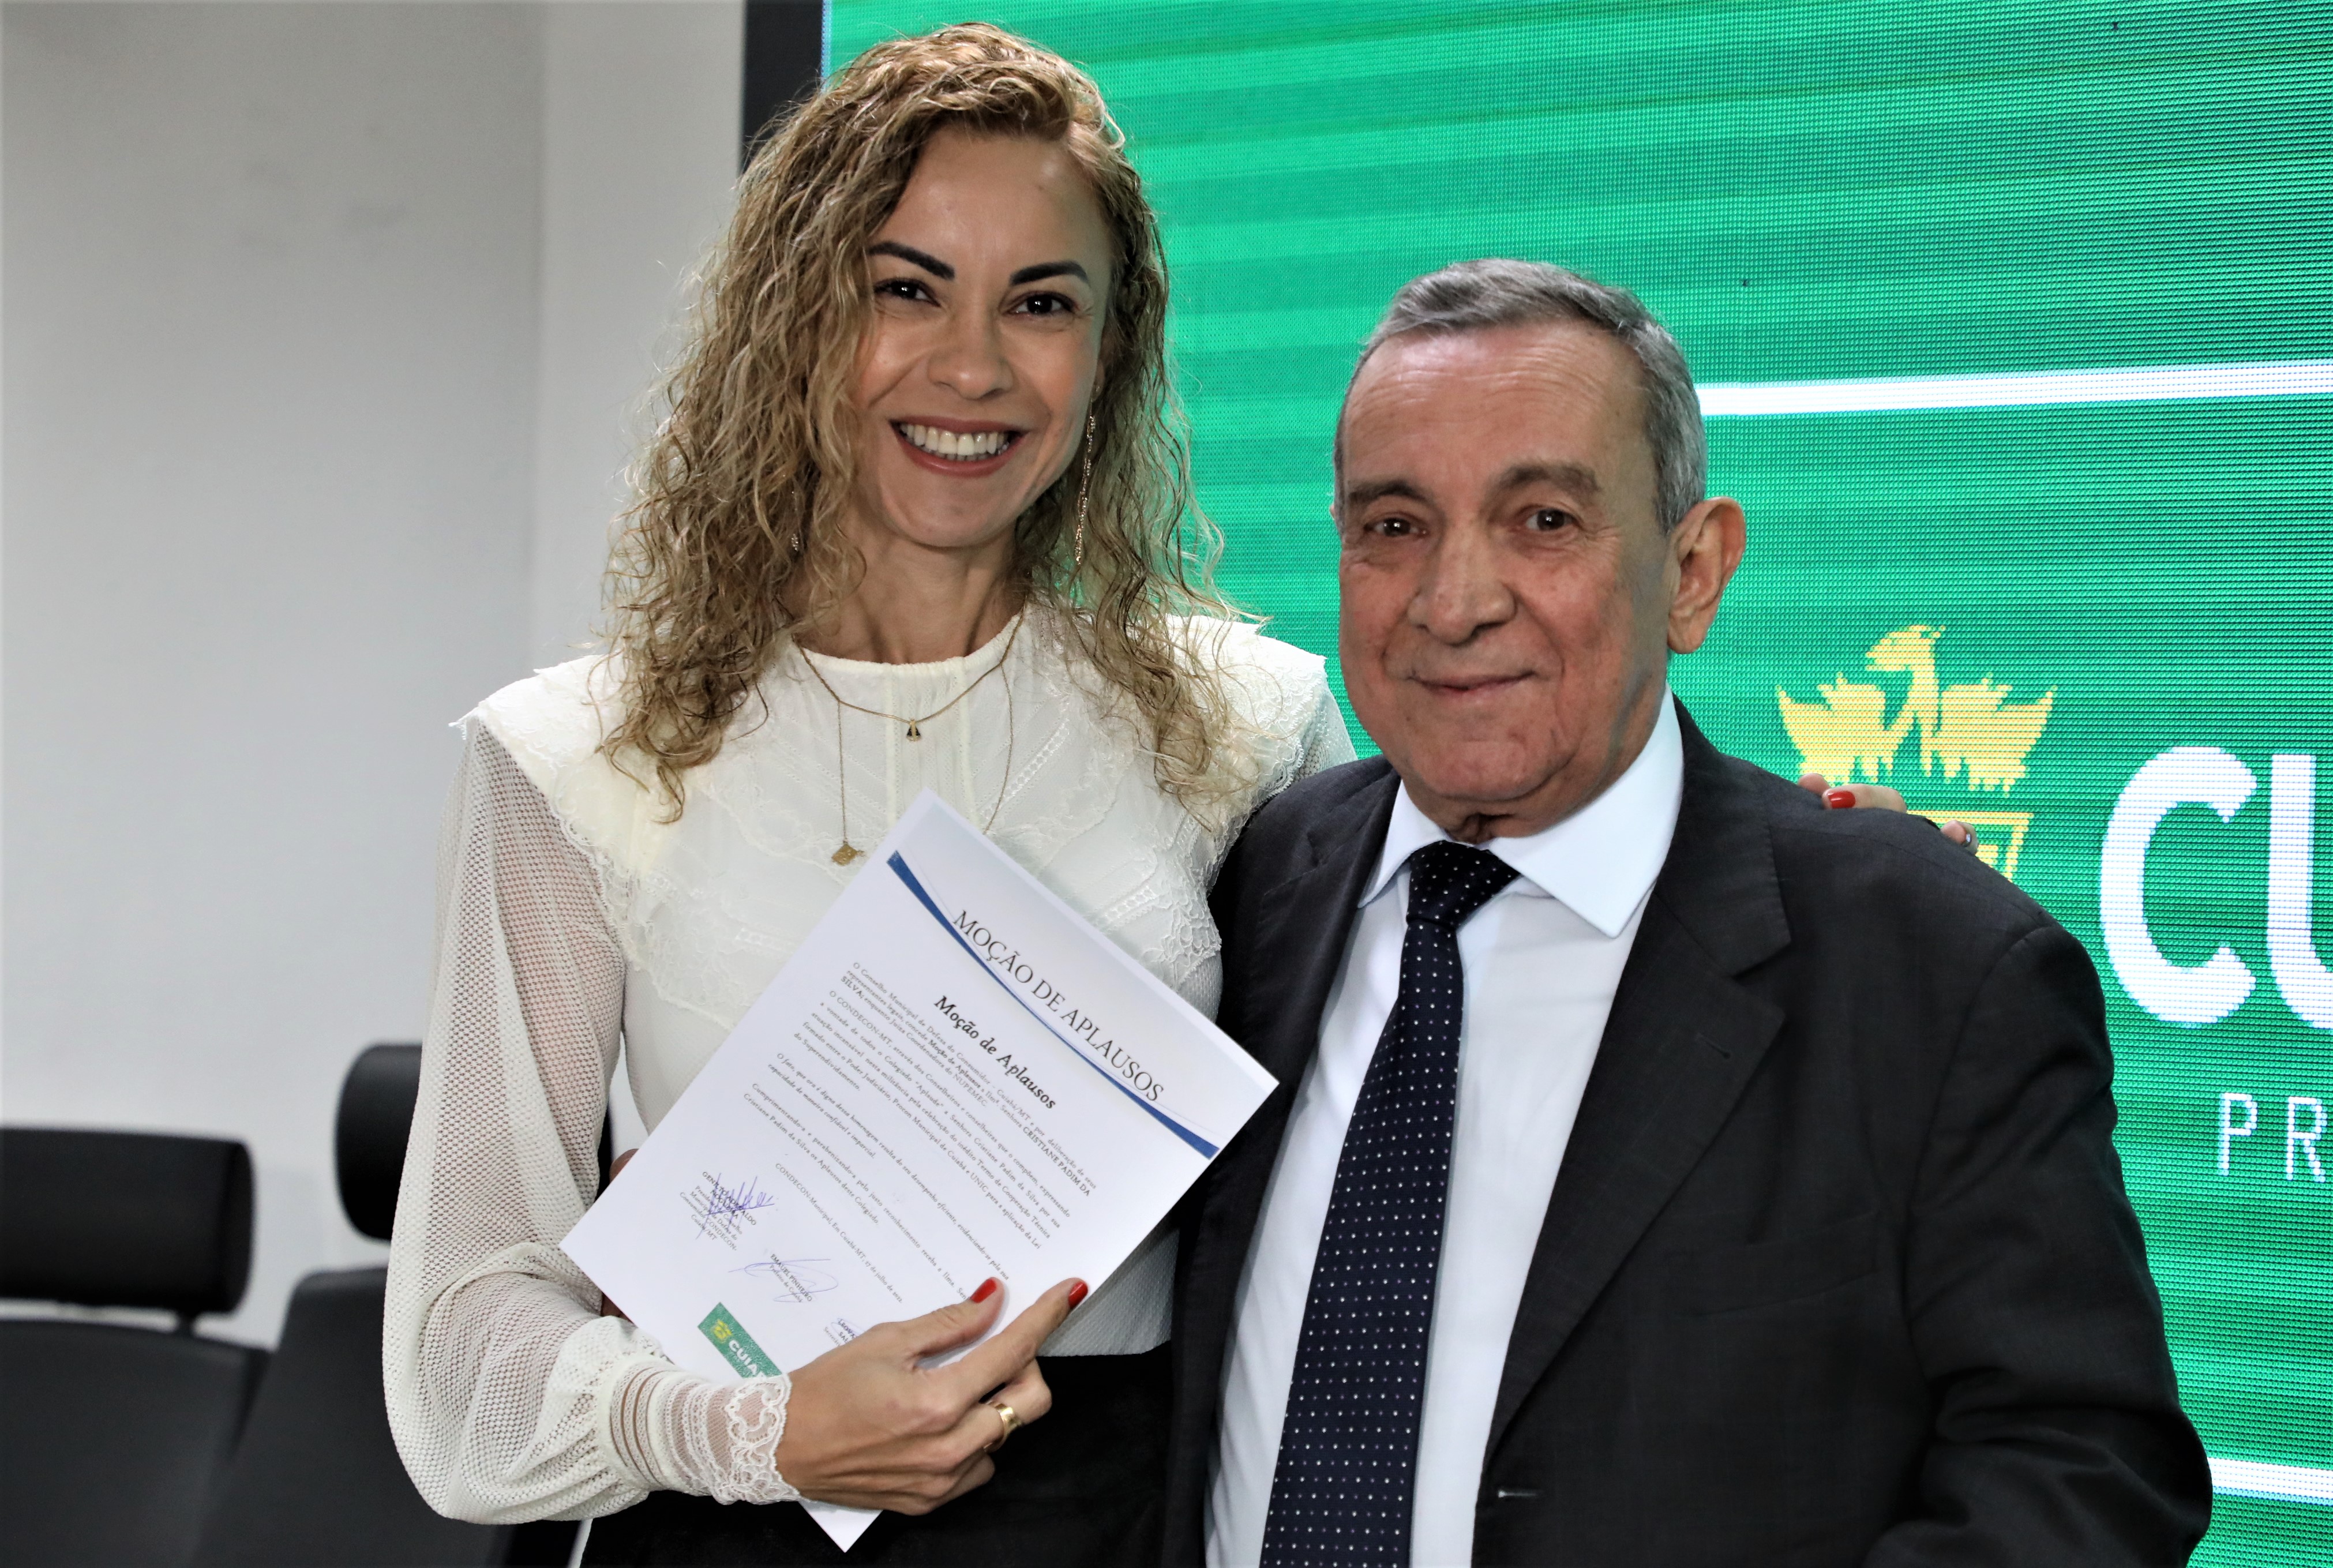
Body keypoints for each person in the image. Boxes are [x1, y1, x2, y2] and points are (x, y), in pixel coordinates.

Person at [384, 25, 1355, 1567]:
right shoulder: (577, 757)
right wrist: (754, 1430)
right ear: (795, 317)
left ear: (1109, 352)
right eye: (905, 289)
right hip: (730, 1523)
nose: (972, 366)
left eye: (1041, 302)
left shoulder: (1247, 727)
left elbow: (1362, 1205)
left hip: (1119, 1519)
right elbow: (458, 1353)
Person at [1168, 260, 2212, 1566]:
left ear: (1695, 571)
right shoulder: (1258, 879)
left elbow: (2082, 1473)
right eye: (1395, 524)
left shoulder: (1931, 967)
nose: (1454, 600)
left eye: (1543, 519)